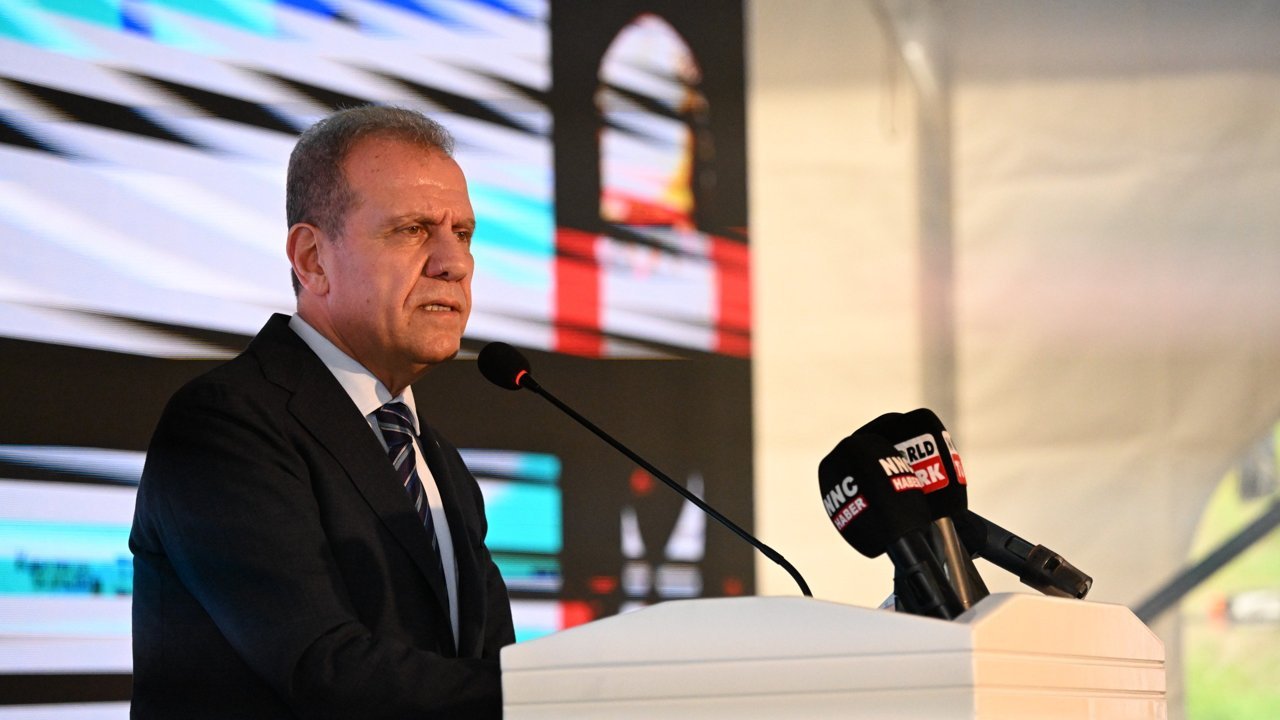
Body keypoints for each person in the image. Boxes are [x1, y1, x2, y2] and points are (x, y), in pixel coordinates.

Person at [129, 105, 515, 719]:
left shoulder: (437, 462)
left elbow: (482, 666)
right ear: (312, 259)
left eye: (463, 233)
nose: (455, 263)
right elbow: (323, 669)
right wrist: (557, 694)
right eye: (413, 230)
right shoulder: (225, 424)